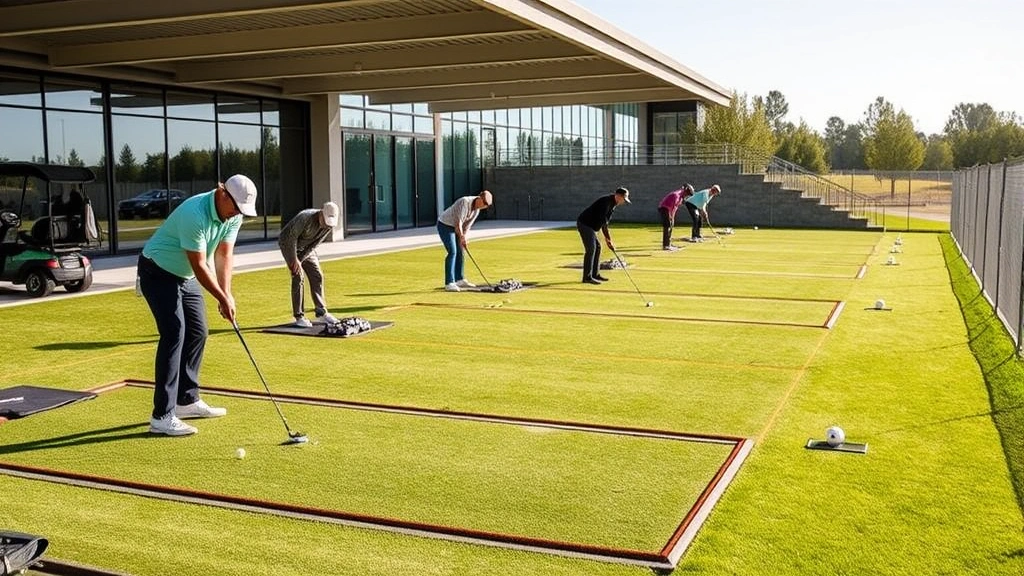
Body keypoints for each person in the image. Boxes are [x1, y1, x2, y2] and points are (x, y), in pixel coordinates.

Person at [136, 174, 258, 437]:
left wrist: (227, 294)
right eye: (236, 207)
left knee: (199, 331)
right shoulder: (195, 213)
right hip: (157, 271)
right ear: (222, 192)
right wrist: (221, 298)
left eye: (242, 211)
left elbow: (224, 255)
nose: (237, 214)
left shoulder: (232, 216)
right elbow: (200, 264)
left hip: (184, 276)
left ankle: (187, 400)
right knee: (174, 332)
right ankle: (162, 416)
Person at [278, 201, 341, 327]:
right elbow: (290, 238)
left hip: (306, 248)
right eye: (325, 221)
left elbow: (315, 244)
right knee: (298, 275)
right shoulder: (305, 217)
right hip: (288, 244)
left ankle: (321, 312)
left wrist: (301, 258)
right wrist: (295, 260)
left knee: (317, 275)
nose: (326, 225)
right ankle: (299, 316)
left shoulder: (328, 226)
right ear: (321, 213)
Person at [437, 190, 493, 291]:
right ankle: (449, 282)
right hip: (445, 225)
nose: (484, 206)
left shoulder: (477, 210)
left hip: (457, 227)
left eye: (486, 205)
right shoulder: (464, 202)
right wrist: (461, 237)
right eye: (484, 203)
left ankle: (460, 279)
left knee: (461, 250)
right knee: (452, 251)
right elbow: (458, 222)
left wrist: (464, 238)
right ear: (479, 198)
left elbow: (466, 226)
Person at [576, 187, 630, 284]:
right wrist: (608, 240)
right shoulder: (606, 202)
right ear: (617, 195)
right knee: (591, 249)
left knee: (598, 247)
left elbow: (606, 223)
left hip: (591, 226)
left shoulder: (613, 204)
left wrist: (609, 240)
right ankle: (587, 277)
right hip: (585, 224)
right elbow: (603, 224)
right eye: (623, 199)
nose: (623, 202)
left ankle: (595, 274)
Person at [657, 183, 694, 250]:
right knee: (667, 226)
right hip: (664, 208)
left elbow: (675, 208)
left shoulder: (681, 197)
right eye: (687, 194)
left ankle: (668, 243)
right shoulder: (676, 195)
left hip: (669, 209)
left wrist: (672, 218)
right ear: (685, 191)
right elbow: (670, 207)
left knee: (671, 225)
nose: (687, 196)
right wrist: (671, 217)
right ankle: (666, 246)